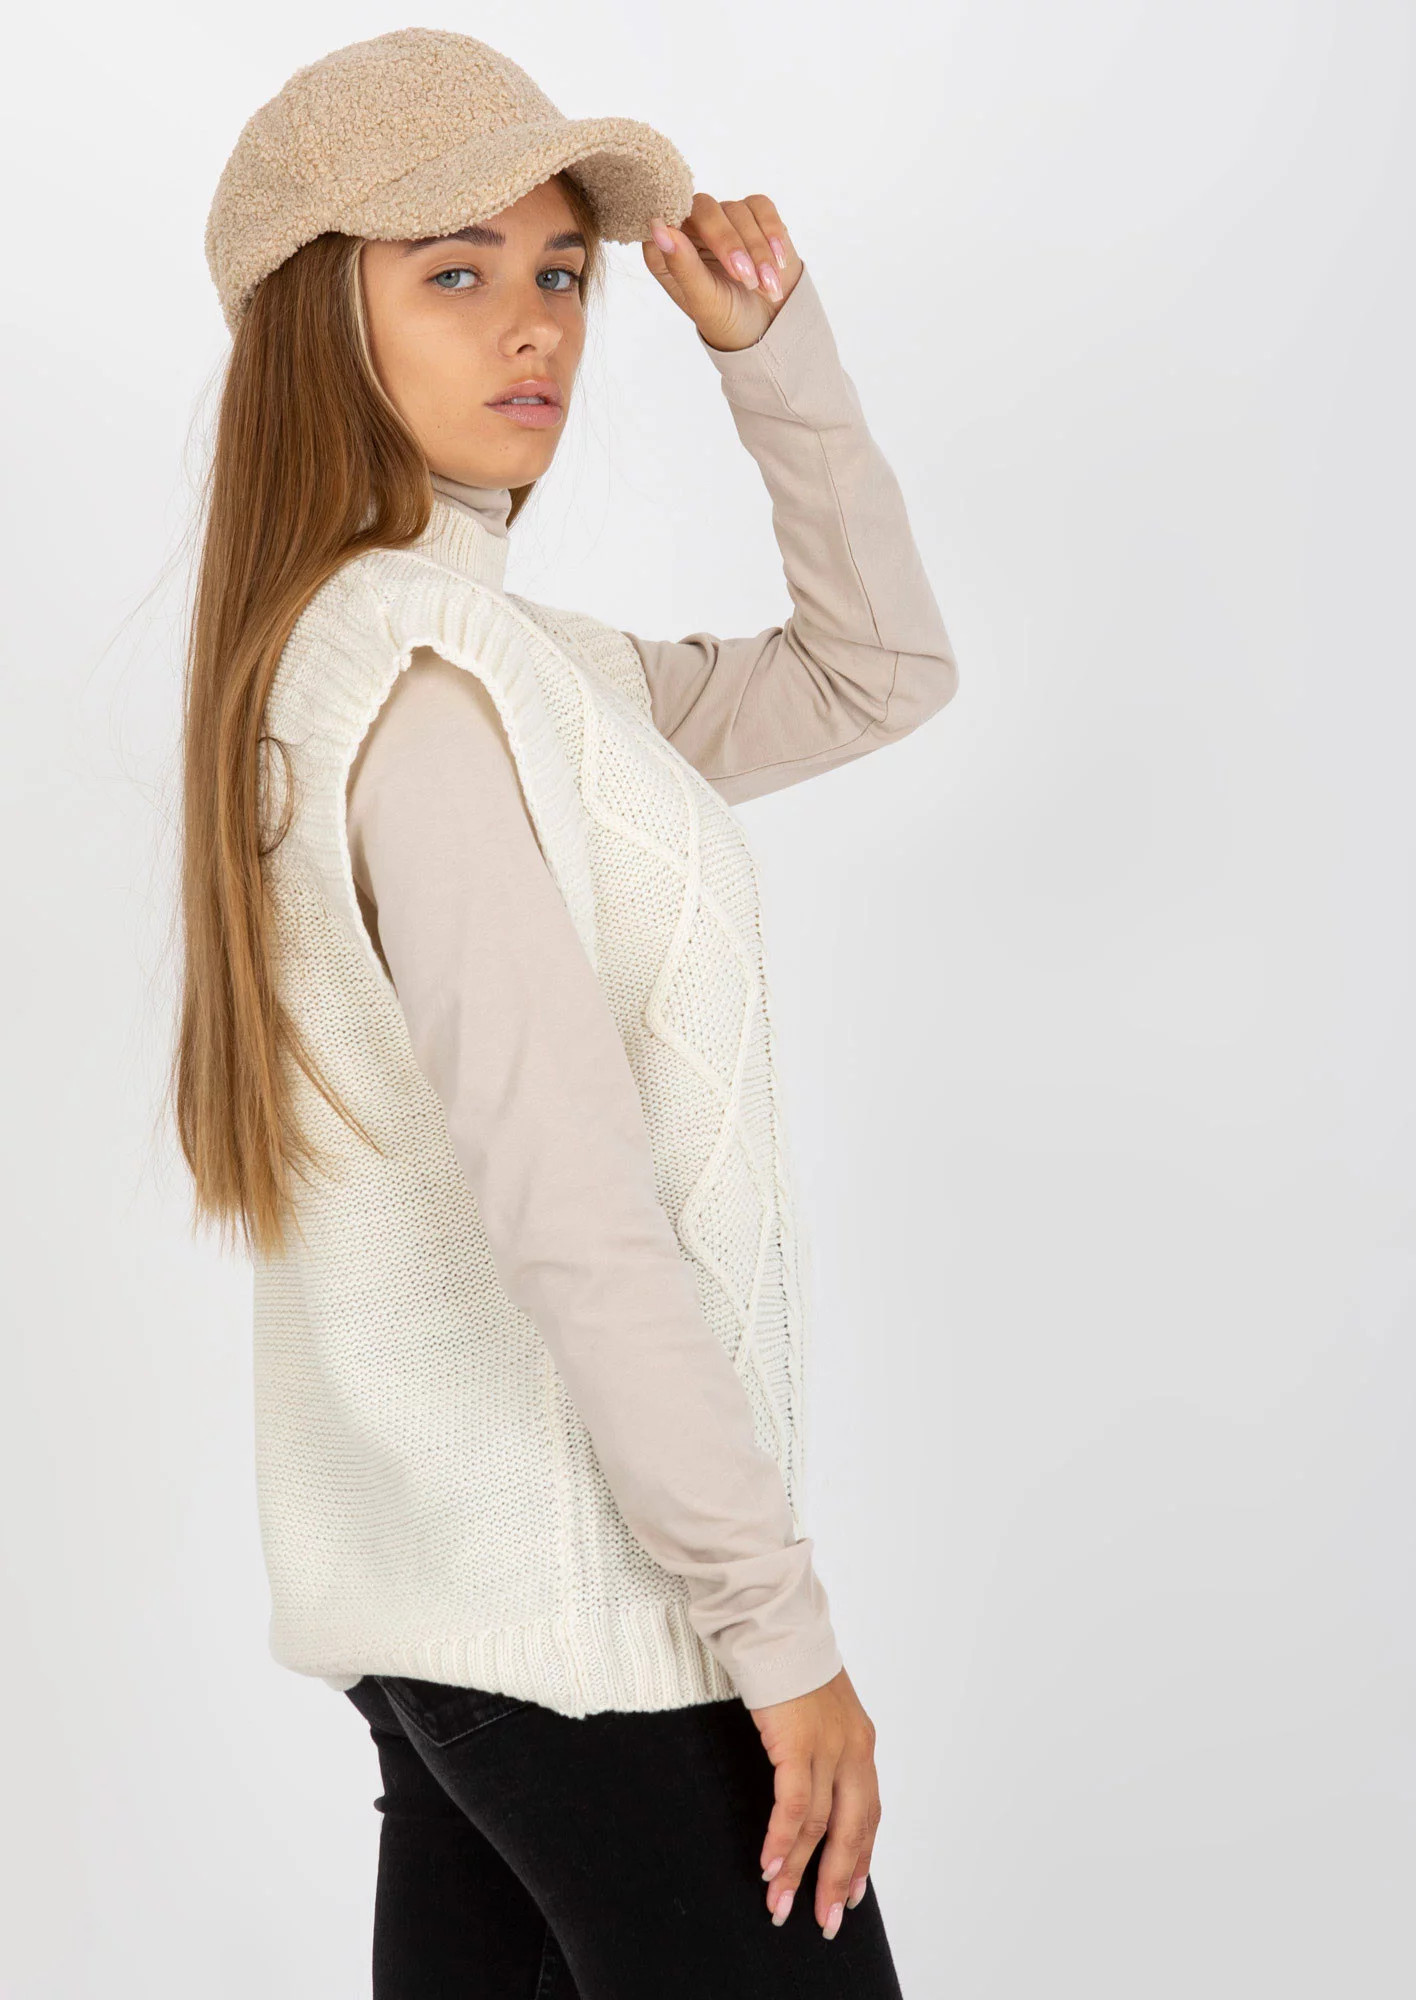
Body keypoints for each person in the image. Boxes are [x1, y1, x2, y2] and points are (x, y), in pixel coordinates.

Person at [175, 27, 957, 1998]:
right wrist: (781, 1635)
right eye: (454, 270)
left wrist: (769, 356)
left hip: (456, 1625)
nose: (535, 324)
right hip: (596, 1633)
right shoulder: (431, 696)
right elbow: (576, 1216)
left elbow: (874, 673)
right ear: (319, 318)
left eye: (559, 271)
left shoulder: (478, 664)